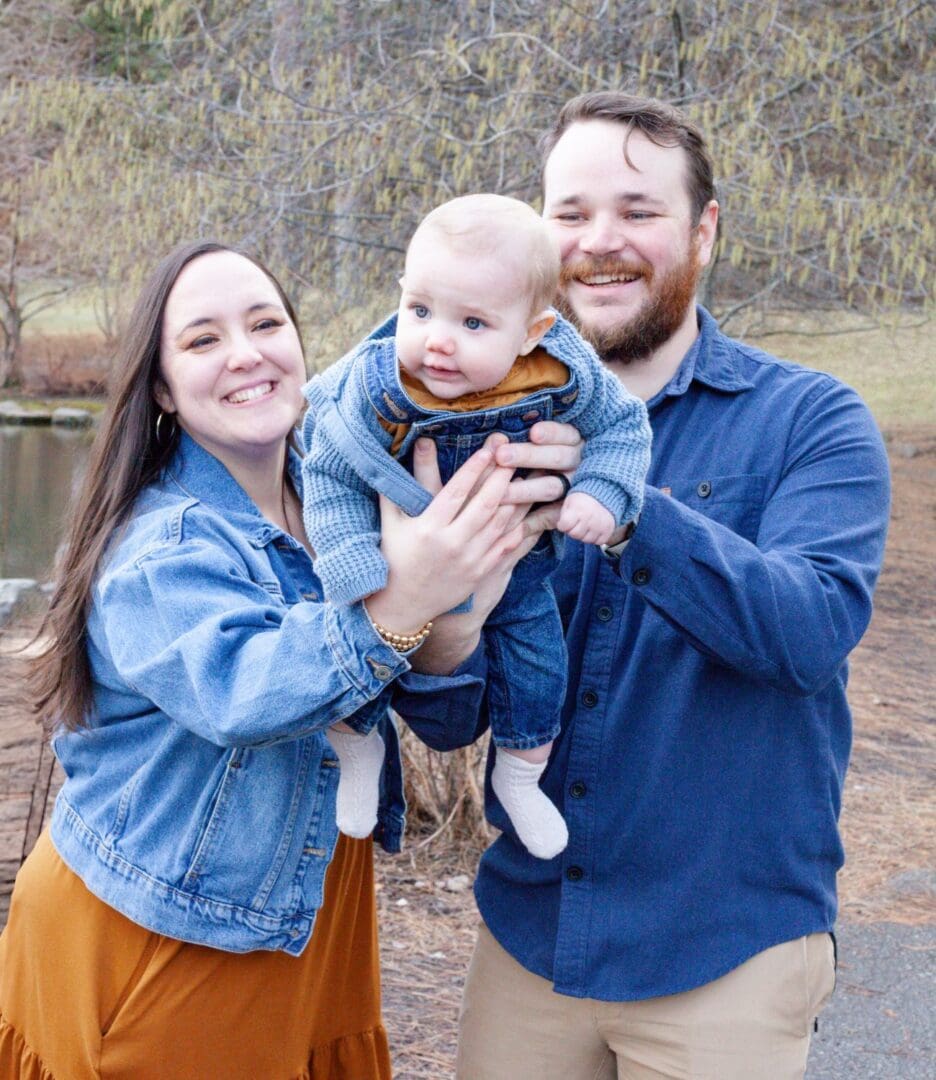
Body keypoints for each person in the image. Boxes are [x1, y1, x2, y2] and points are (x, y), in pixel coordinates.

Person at [0, 241, 555, 1080]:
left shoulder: (350, 496)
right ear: (160, 387)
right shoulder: (161, 546)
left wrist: (473, 584)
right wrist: (407, 598)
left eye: (266, 323)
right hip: (167, 928)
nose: (247, 353)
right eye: (202, 340)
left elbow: (444, 717)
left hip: (307, 910)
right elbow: (247, 693)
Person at [453, 93, 892, 1078]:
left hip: (725, 955)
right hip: (532, 938)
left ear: (703, 232)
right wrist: (428, 612)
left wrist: (625, 503)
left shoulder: (812, 421)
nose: (601, 241)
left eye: (638, 212)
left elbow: (810, 632)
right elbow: (455, 710)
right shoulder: (489, 430)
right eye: (570, 214)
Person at [301, 194, 650, 860]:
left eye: (473, 323)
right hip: (393, 561)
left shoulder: (561, 373)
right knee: (356, 645)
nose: (437, 339)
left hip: (515, 573)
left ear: (531, 331)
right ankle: (355, 745)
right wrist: (349, 555)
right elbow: (330, 468)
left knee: (541, 668)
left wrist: (604, 492)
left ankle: (520, 775)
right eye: (421, 310)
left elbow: (622, 426)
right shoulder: (378, 387)